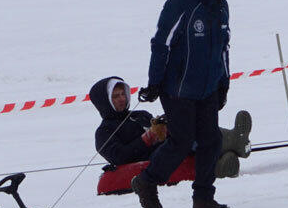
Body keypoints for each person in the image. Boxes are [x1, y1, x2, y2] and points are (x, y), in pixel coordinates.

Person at [132, 0, 237, 208]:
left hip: (208, 88)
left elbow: (223, 48)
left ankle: (203, 199)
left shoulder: (222, 7)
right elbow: (161, 43)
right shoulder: (181, 3)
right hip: (178, 88)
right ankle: (147, 180)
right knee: (181, 141)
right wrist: (154, 82)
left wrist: (224, 82)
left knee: (211, 141)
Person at [89, 75, 253, 178]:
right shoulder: (104, 132)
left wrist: (166, 123)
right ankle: (234, 145)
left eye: (123, 94)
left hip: (171, 148)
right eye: (116, 96)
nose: (122, 99)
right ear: (105, 101)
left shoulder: (140, 115)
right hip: (153, 160)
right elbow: (120, 156)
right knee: (187, 138)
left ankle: (228, 154)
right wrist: (147, 139)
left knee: (188, 126)